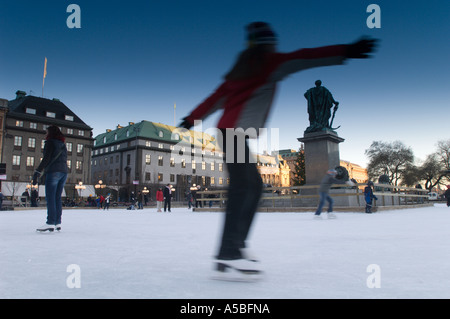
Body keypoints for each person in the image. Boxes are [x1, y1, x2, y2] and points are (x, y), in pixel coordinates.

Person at [178, 21, 377, 279]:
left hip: (230, 133)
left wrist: (191, 118)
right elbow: (306, 56)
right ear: (266, 45)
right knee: (244, 187)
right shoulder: (270, 63)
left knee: (252, 186)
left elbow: (214, 98)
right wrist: (346, 51)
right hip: (233, 133)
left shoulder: (239, 71)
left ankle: (233, 247)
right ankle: (230, 250)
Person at [32, 125, 68, 232]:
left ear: (51, 133)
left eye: (46, 132)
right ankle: (57, 222)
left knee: (51, 198)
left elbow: (46, 159)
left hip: (53, 172)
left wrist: (37, 171)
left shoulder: (50, 143)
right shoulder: (62, 144)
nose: (45, 134)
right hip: (64, 172)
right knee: (57, 198)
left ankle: (50, 222)